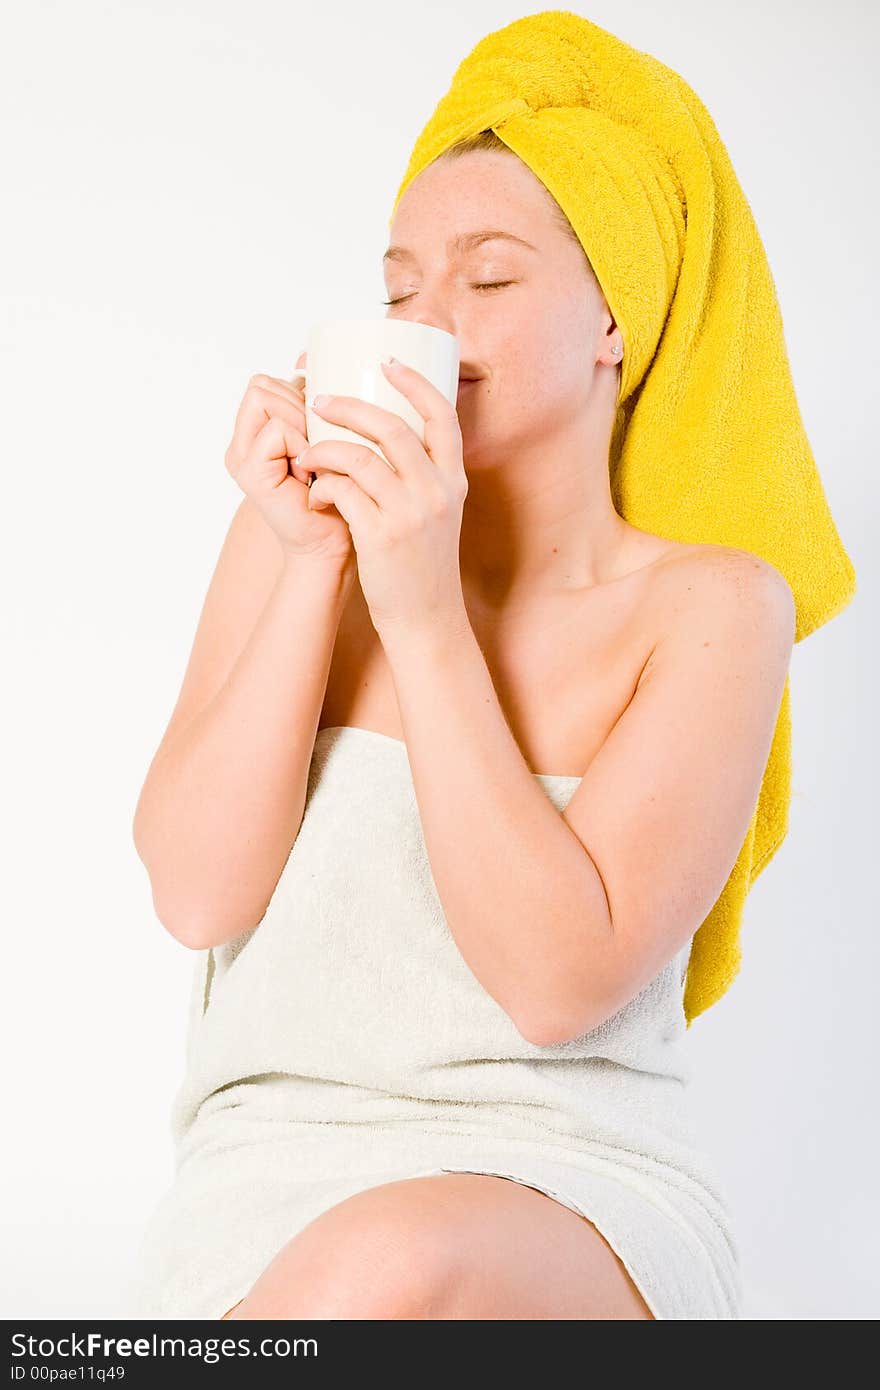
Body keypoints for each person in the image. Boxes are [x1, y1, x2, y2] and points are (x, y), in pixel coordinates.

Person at [128, 12, 853, 1322]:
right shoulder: (297, 545)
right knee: (349, 1270)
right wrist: (314, 567)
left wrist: (422, 607)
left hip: (568, 1197)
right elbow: (193, 891)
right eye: (401, 287)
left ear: (614, 325)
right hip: (258, 1199)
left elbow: (553, 980)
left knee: (393, 1257)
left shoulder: (710, 608)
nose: (429, 320)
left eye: (492, 279)